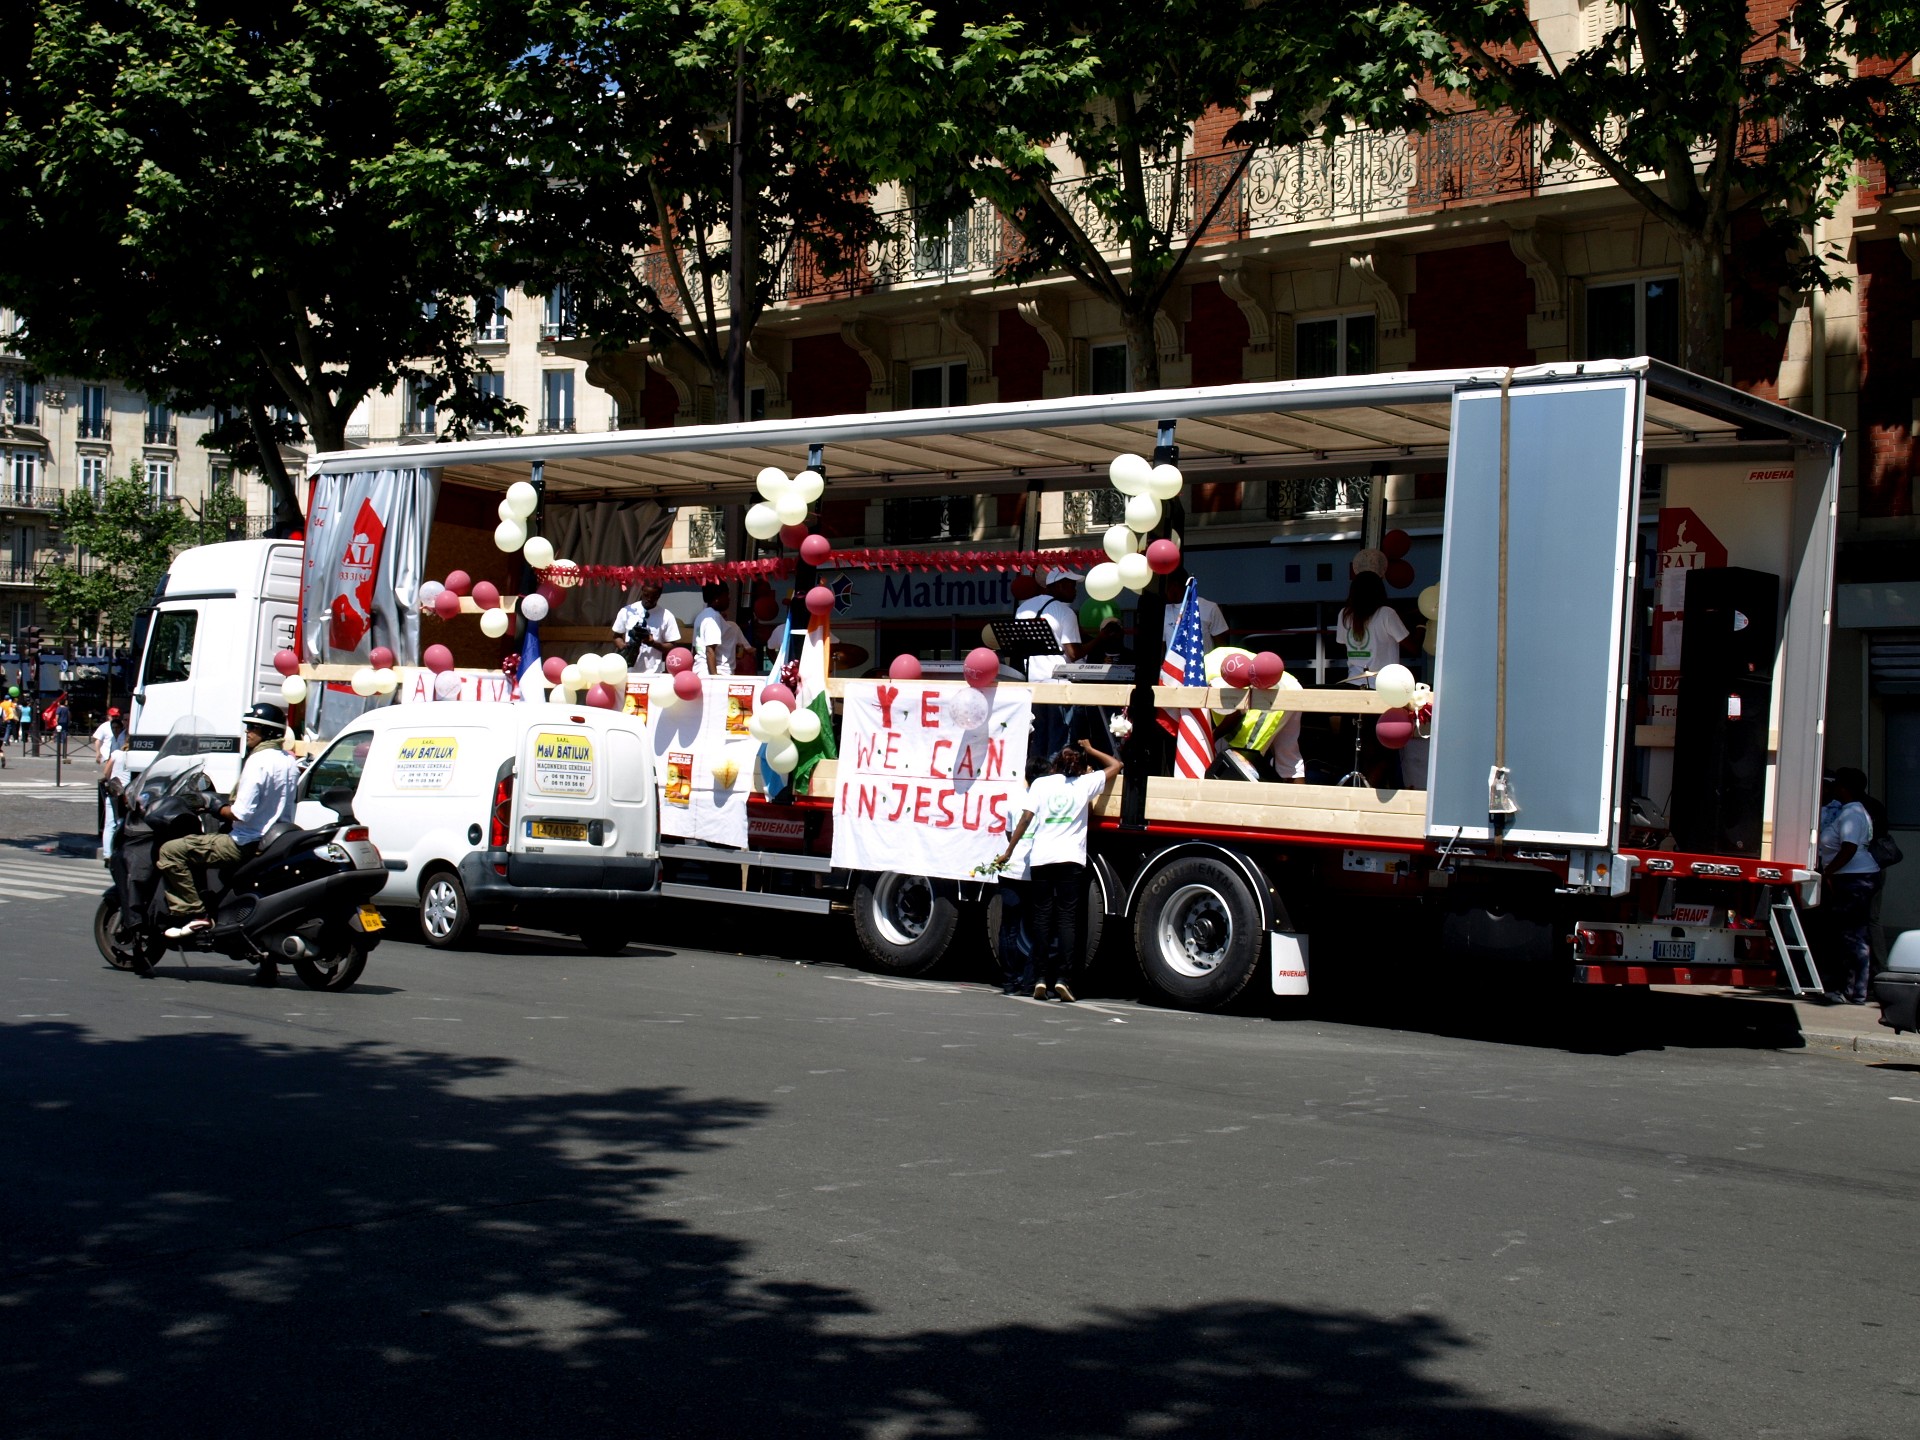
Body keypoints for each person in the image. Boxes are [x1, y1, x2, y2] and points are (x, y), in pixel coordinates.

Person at [158, 704, 302, 980]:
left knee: (172, 850)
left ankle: (194, 914)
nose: (248, 732)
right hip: (275, 840)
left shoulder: (258, 761)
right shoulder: (288, 761)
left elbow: (241, 812)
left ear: (267, 732)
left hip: (245, 841)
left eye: (253, 727)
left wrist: (213, 805)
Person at [993, 738, 1123, 1002]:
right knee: (1066, 920)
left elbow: (1026, 819)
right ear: (1081, 765)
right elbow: (1116, 764)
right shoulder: (1086, 784)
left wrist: (1009, 850)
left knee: (1041, 919)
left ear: (1056, 764)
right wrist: (1090, 748)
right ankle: (1063, 979)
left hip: (1042, 858)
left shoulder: (1041, 784)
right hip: (1070, 859)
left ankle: (1040, 978)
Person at [1818, 768, 1882, 1005]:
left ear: (1844, 788)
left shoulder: (1852, 813)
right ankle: (1855, 990)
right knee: (1854, 936)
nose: (1832, 789)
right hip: (1855, 877)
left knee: (1852, 937)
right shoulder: (1851, 811)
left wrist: (1829, 870)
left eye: (1836, 785)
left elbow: (1849, 847)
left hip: (1855, 879)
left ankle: (1853, 992)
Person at [1336, 570, 1409, 684]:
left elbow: (1341, 644)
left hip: (1353, 682)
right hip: (1385, 685)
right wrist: (1421, 625)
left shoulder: (1344, 614)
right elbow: (1412, 647)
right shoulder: (1386, 613)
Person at [610, 581, 682, 674]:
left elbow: (672, 645)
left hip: (653, 671)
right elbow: (617, 636)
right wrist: (625, 648)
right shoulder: (627, 611)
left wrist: (652, 643)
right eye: (646, 595)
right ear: (642, 591)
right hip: (629, 670)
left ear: (659, 595)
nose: (649, 599)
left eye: (653, 596)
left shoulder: (666, 616)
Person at [1160, 568, 1228, 650]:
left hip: (1201, 662)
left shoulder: (1209, 607)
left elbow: (1221, 647)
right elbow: (1162, 648)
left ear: (1174, 585)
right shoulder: (1163, 611)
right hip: (1172, 662)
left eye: (1166, 587)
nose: (1164, 591)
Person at [691, 583, 732, 676]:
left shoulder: (700, 616)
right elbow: (710, 650)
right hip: (714, 673)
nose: (729, 599)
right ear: (717, 598)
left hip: (700, 670)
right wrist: (714, 677)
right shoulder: (713, 617)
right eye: (727, 595)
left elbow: (695, 649)